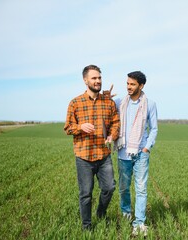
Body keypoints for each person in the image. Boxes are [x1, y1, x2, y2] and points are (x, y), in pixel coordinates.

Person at [64, 64, 120, 230]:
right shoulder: (75, 103)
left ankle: (101, 213)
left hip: (103, 155)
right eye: (94, 78)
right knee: (86, 194)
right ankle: (87, 226)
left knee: (109, 188)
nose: (97, 81)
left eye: (99, 78)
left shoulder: (108, 103)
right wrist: (80, 127)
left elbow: (116, 122)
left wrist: (112, 135)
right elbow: (67, 127)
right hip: (84, 156)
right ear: (85, 80)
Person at [114, 71, 158, 237]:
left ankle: (139, 223)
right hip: (123, 153)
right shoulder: (119, 102)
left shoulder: (150, 104)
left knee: (141, 189)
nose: (128, 87)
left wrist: (147, 147)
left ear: (141, 85)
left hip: (141, 153)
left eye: (132, 84)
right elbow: (104, 106)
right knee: (124, 188)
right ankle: (126, 214)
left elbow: (154, 128)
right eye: (127, 83)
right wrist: (106, 96)